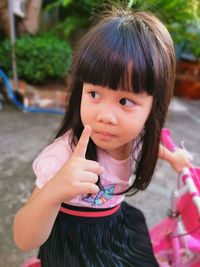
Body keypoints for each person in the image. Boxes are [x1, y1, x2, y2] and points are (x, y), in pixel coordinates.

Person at [14, 7, 191, 267]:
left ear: (153, 107)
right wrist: (54, 191)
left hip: (115, 227)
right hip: (73, 244)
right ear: (81, 91)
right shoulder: (62, 156)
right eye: (94, 94)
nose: (105, 116)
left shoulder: (135, 138)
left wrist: (172, 156)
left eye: (124, 100)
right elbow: (23, 237)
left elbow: (146, 149)